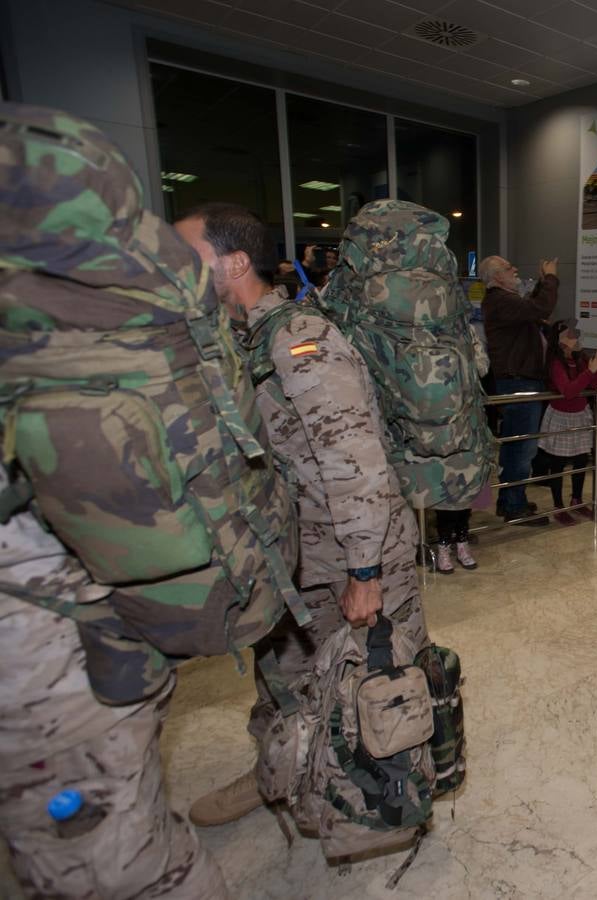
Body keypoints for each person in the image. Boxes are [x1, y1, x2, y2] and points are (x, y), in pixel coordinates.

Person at [0, 104, 228, 899]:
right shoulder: (133, 294)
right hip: (111, 625)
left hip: (47, 651)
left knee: (107, 865)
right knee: (124, 837)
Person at [174, 203, 428, 829]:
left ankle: (391, 796)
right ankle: (278, 774)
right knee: (283, 680)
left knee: (378, 684)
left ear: (234, 263)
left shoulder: (299, 340)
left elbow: (355, 458)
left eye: (186, 257)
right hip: (289, 557)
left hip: (353, 556)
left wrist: (365, 571)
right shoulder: (233, 341)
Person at [482, 254, 560, 525]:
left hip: (522, 380)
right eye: (508, 267)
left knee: (518, 446)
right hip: (519, 382)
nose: (514, 268)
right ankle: (514, 506)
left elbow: (532, 307)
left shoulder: (505, 302)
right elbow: (540, 309)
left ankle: (511, 500)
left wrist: (540, 283)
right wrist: (550, 279)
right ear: (496, 278)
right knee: (522, 448)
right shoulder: (500, 300)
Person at [428, 326, 492, 572]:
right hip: (441, 424)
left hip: (470, 422)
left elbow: (483, 367)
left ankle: (462, 540)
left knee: (468, 486)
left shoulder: (468, 332)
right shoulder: (427, 333)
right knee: (446, 487)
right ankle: (443, 545)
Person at [536, 319, 597, 524]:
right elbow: (568, 391)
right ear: (559, 340)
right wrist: (590, 370)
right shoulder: (555, 363)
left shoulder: (580, 359)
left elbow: (594, 384)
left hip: (580, 414)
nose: (576, 338)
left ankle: (576, 500)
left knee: (580, 461)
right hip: (561, 416)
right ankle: (558, 506)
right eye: (570, 335)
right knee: (558, 464)